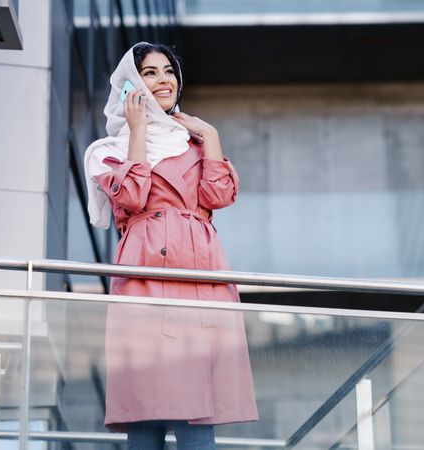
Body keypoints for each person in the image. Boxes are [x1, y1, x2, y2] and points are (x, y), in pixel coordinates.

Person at [83, 42, 258, 450]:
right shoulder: (106, 151)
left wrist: (210, 134)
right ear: (131, 83)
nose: (163, 80)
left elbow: (219, 195)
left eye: (168, 71)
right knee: (146, 412)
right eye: (149, 73)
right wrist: (139, 132)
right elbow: (131, 196)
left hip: (200, 278)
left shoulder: (194, 144)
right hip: (146, 278)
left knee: (197, 416)